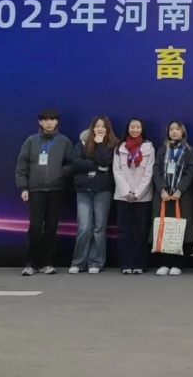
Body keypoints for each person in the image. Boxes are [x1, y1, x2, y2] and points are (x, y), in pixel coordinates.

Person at [15, 108, 74, 276]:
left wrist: (60, 174)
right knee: (35, 227)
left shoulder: (64, 141)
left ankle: (47, 263)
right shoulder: (31, 141)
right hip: (35, 190)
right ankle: (31, 263)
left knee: (51, 227)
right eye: (46, 120)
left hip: (56, 190)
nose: (49, 123)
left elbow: (72, 164)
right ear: (40, 122)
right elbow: (22, 166)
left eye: (52, 119)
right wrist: (23, 187)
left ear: (57, 122)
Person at [69, 117, 119, 274]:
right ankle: (78, 262)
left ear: (108, 129)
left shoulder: (113, 145)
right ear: (92, 128)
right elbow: (76, 162)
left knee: (99, 228)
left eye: (103, 126)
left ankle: (95, 262)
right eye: (97, 126)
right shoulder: (82, 143)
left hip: (103, 190)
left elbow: (107, 162)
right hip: (83, 190)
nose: (100, 129)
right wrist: (97, 167)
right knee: (84, 228)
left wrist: (100, 144)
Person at [152, 120, 193, 276]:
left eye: (177, 129)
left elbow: (190, 172)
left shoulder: (189, 150)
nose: (174, 132)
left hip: (181, 196)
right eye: (171, 129)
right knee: (164, 229)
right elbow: (156, 171)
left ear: (182, 132)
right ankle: (164, 263)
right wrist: (162, 190)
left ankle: (178, 263)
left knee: (180, 229)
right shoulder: (162, 150)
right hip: (164, 196)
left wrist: (179, 190)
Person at [113, 118, 155, 275]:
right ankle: (126, 264)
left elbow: (149, 173)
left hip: (142, 197)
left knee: (141, 231)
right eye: (132, 127)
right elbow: (117, 171)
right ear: (127, 129)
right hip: (123, 196)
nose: (135, 130)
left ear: (142, 129)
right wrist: (126, 192)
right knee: (124, 231)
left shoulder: (148, 147)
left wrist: (137, 193)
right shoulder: (120, 147)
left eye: (138, 127)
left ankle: (140, 264)